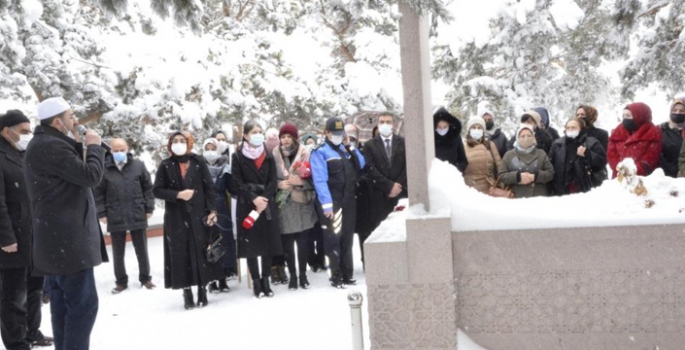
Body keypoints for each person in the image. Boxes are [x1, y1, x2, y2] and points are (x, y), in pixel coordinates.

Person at [24, 97, 108, 350]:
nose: (75, 121)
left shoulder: (46, 144)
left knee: (63, 306)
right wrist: (94, 147)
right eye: (71, 116)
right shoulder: (50, 146)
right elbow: (90, 176)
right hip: (67, 241)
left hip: (57, 241)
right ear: (57, 121)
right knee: (83, 307)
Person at [0, 111, 53, 350]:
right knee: (13, 296)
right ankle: (16, 343)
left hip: (32, 234)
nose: (28, 135)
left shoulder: (22, 154)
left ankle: (32, 332)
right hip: (11, 239)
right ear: (6, 130)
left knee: (34, 288)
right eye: (23, 131)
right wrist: (6, 237)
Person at [153, 131, 221, 310]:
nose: (178, 143)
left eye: (182, 140)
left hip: (199, 215)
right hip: (176, 217)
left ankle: (202, 289)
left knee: (200, 253)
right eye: (175, 141)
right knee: (180, 254)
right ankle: (186, 291)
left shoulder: (198, 162)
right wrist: (177, 195)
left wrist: (212, 210)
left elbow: (209, 188)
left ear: (189, 143)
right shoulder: (166, 165)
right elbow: (157, 190)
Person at [94, 138, 156, 294]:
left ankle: (145, 278)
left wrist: (149, 208)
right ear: (111, 151)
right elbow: (98, 193)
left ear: (127, 149)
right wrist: (101, 213)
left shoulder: (138, 166)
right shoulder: (104, 169)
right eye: (116, 150)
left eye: (122, 149)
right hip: (115, 214)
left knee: (142, 249)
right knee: (117, 251)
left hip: (137, 212)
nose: (119, 153)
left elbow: (148, 188)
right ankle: (121, 281)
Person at [311, 117, 365, 288]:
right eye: (334, 133)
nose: (337, 136)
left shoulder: (345, 150)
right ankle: (335, 276)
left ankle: (347, 274)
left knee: (347, 238)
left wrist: (350, 146)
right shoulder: (320, 152)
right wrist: (326, 205)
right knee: (333, 238)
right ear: (326, 133)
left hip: (349, 201)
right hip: (332, 203)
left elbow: (362, 164)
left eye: (340, 134)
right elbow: (319, 180)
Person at [232, 121, 283, 298]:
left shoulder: (268, 153)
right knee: (251, 245)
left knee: (267, 244)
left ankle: (266, 279)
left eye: (260, 131)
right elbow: (237, 182)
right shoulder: (238, 156)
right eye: (254, 132)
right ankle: (256, 281)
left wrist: (264, 198)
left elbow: (272, 179)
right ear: (245, 135)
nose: (258, 135)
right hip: (248, 203)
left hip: (266, 203)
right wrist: (253, 198)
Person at [274, 123, 317, 290]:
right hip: (283, 204)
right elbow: (269, 179)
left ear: (294, 138)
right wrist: (279, 184)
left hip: (302, 203)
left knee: (303, 242)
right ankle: (292, 275)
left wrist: (301, 182)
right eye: (283, 137)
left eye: (288, 137)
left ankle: (303, 276)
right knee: (288, 245)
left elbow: (314, 178)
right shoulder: (274, 154)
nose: (285, 140)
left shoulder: (305, 153)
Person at [360, 112, 407, 261]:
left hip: (401, 194)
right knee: (382, 232)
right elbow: (370, 168)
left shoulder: (404, 143)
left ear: (393, 124)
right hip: (379, 195)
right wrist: (388, 186)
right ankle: (384, 263)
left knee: (401, 231)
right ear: (378, 124)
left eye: (388, 121)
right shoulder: (369, 145)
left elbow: (409, 166)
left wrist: (397, 185)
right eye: (382, 122)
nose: (385, 124)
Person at [202, 138, 237, 293]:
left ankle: (223, 278)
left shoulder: (225, 168)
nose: (210, 151)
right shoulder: (199, 167)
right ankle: (212, 280)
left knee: (223, 243)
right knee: (209, 244)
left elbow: (233, 189)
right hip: (205, 209)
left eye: (212, 148)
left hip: (222, 208)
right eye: (207, 148)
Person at [548, 118, 608, 195]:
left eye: (573, 127)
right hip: (563, 189)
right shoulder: (557, 144)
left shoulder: (592, 142)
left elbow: (602, 162)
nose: (570, 129)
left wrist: (587, 153)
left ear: (581, 128)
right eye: (568, 127)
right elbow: (550, 165)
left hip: (586, 187)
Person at [608, 102, 662, 178]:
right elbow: (611, 155)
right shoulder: (617, 133)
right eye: (623, 116)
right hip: (619, 178)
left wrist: (633, 170)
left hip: (643, 179)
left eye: (628, 116)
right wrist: (621, 169)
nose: (625, 119)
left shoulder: (653, 133)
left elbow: (651, 157)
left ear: (639, 116)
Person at [499, 125, 554, 198]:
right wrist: (518, 177)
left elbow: (550, 173)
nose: (526, 138)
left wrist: (535, 177)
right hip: (516, 197)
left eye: (529, 135)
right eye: (523, 136)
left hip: (538, 197)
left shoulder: (541, 153)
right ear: (517, 138)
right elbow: (502, 175)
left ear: (533, 137)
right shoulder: (509, 155)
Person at [463, 116, 504, 194]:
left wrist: (501, 184)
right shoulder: (463, 146)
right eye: (474, 127)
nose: (476, 130)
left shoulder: (490, 145)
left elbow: (500, 166)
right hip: (470, 190)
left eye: (479, 128)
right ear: (469, 130)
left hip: (490, 189)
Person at [433, 107, 468, 172]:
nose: (442, 129)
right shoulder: (430, 138)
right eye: (439, 127)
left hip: (452, 177)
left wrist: (454, 170)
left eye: (445, 126)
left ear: (449, 125)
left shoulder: (455, 138)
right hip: (434, 176)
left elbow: (463, 161)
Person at [659, 99, 685, 178]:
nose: (677, 113)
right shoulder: (662, 130)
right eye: (674, 110)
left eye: (682, 110)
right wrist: (674, 172)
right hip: (667, 177)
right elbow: (658, 155)